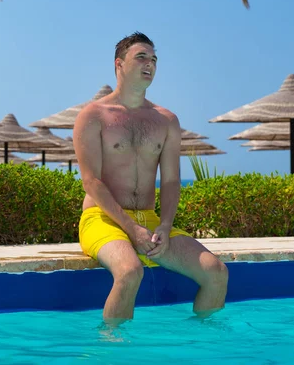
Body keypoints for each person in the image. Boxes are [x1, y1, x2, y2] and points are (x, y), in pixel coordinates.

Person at [73, 32, 228, 325]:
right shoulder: (93, 115)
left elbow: (170, 181)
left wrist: (166, 226)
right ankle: (112, 351)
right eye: (141, 57)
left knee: (216, 273)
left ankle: (201, 345)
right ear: (119, 64)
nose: (150, 64)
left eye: (154, 59)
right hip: (101, 218)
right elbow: (91, 182)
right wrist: (131, 228)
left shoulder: (166, 120)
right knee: (130, 272)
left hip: (150, 219)